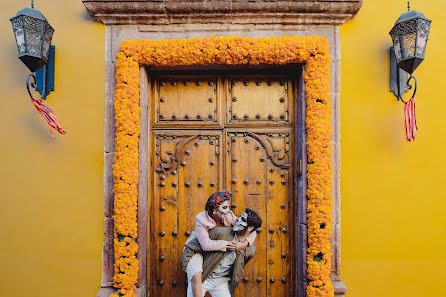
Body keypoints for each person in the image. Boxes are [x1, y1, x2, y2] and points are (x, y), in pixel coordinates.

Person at [184, 191, 257, 297]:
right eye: (224, 208)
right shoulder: (202, 219)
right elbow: (205, 245)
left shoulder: (228, 215)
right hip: (197, 248)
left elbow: (251, 230)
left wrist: (244, 244)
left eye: (228, 207)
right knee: (196, 275)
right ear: (214, 210)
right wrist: (227, 244)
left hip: (216, 255)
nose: (228, 210)